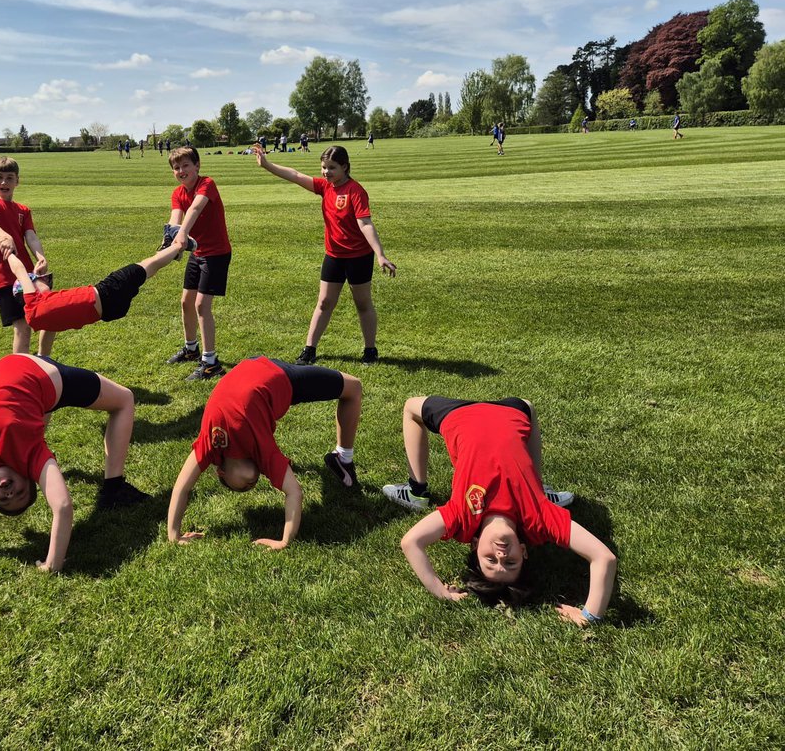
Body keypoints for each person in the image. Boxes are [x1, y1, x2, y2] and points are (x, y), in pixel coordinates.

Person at [381, 395, 616, 625]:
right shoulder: (540, 519)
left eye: (490, 560)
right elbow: (604, 558)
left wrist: (441, 591)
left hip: (458, 415)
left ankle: (416, 491)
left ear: (474, 546)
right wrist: (590, 616)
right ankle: (539, 488)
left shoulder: (461, 517)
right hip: (512, 412)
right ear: (524, 552)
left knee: (412, 407)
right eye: (511, 563)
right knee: (528, 407)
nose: (501, 556)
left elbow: (411, 542)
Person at [0, 354, 152, 571]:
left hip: (13, 370)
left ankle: (110, 485)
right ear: (29, 476)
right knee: (124, 399)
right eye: (20, 493)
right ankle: (114, 488)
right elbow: (63, 507)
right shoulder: (32, 457)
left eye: (3, 498)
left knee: (36, 416)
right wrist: (52, 563)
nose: (11, 493)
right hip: (48, 378)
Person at [167, 356, 364, 550]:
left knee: (354, 387)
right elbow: (294, 491)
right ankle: (341, 460)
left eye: (240, 488)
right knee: (353, 387)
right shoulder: (262, 452)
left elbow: (182, 487)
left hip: (274, 372)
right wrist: (285, 540)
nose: (249, 486)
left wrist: (174, 535)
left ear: (221, 472)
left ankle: (343, 459)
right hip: (275, 379)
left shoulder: (211, 443)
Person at [252, 143, 396, 364]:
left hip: (358, 257)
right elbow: (295, 175)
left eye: (332, 168)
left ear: (345, 167)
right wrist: (267, 165)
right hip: (334, 256)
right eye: (324, 167)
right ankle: (309, 349)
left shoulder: (355, 191)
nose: (326, 172)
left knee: (363, 303)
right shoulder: (325, 187)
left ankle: (370, 350)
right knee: (324, 302)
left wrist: (380, 254)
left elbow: (365, 223)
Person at [5, 232, 195, 333]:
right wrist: (8, 251)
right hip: (106, 292)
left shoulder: (39, 319)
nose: (45, 279)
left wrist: (43, 358)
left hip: (108, 311)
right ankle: (179, 244)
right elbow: (20, 270)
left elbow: (48, 335)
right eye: (40, 280)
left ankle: (170, 252)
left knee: (146, 272)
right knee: (148, 265)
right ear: (27, 290)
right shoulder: (34, 304)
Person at [163, 145, 232, 380]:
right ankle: (191, 349)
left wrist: (182, 233)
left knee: (202, 306)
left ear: (197, 166)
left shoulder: (207, 184)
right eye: (176, 167)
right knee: (186, 302)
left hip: (217, 253)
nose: (181, 171)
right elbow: (175, 218)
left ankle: (211, 363)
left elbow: (195, 207)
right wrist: (171, 238)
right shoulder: (177, 193)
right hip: (198, 253)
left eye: (185, 166)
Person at [0, 156, 54, 356]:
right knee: (22, 326)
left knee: (49, 313)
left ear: (17, 181)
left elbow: (31, 236)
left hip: (29, 274)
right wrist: (4, 235)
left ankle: (43, 360)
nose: (4, 182)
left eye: (9, 178)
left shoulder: (23, 210)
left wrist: (40, 257)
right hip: (5, 276)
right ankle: (20, 371)